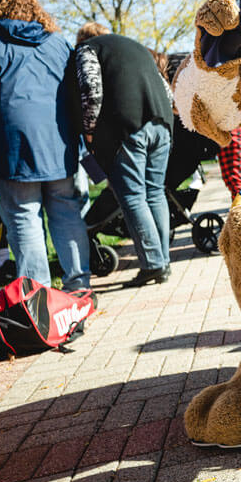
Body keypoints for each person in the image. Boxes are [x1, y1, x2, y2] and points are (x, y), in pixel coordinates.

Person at [0, 0, 92, 291]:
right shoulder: (57, 42)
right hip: (58, 143)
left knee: (22, 217)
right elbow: (75, 91)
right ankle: (80, 287)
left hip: (10, 145)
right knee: (68, 213)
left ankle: (38, 296)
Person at [71, 25, 175, 287]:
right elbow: (166, 89)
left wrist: (90, 130)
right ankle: (163, 261)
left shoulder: (88, 49)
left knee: (133, 197)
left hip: (127, 128)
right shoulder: (137, 46)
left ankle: (153, 264)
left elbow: (91, 90)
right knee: (155, 192)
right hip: (162, 124)